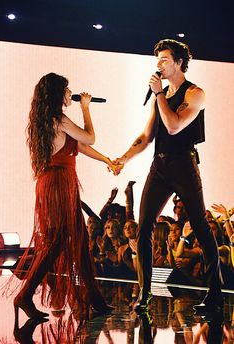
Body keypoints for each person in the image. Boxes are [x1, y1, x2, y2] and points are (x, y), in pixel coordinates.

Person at [114, 39, 223, 313]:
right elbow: (147, 136)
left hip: (184, 164)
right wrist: (123, 158)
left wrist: (160, 94)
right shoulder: (160, 97)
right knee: (144, 226)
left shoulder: (195, 94)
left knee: (199, 224)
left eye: (164, 59)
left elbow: (174, 126)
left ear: (178, 62)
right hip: (160, 165)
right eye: (158, 60)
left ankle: (215, 292)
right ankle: (145, 293)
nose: (159, 64)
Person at [12, 72, 116, 319]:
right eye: (67, 90)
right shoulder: (58, 118)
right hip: (58, 183)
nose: (71, 94)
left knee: (79, 242)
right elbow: (89, 136)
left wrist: (106, 160)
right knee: (58, 242)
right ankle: (24, 296)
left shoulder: (47, 120)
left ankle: (95, 299)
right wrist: (86, 109)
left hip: (57, 183)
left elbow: (79, 145)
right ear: (58, 93)